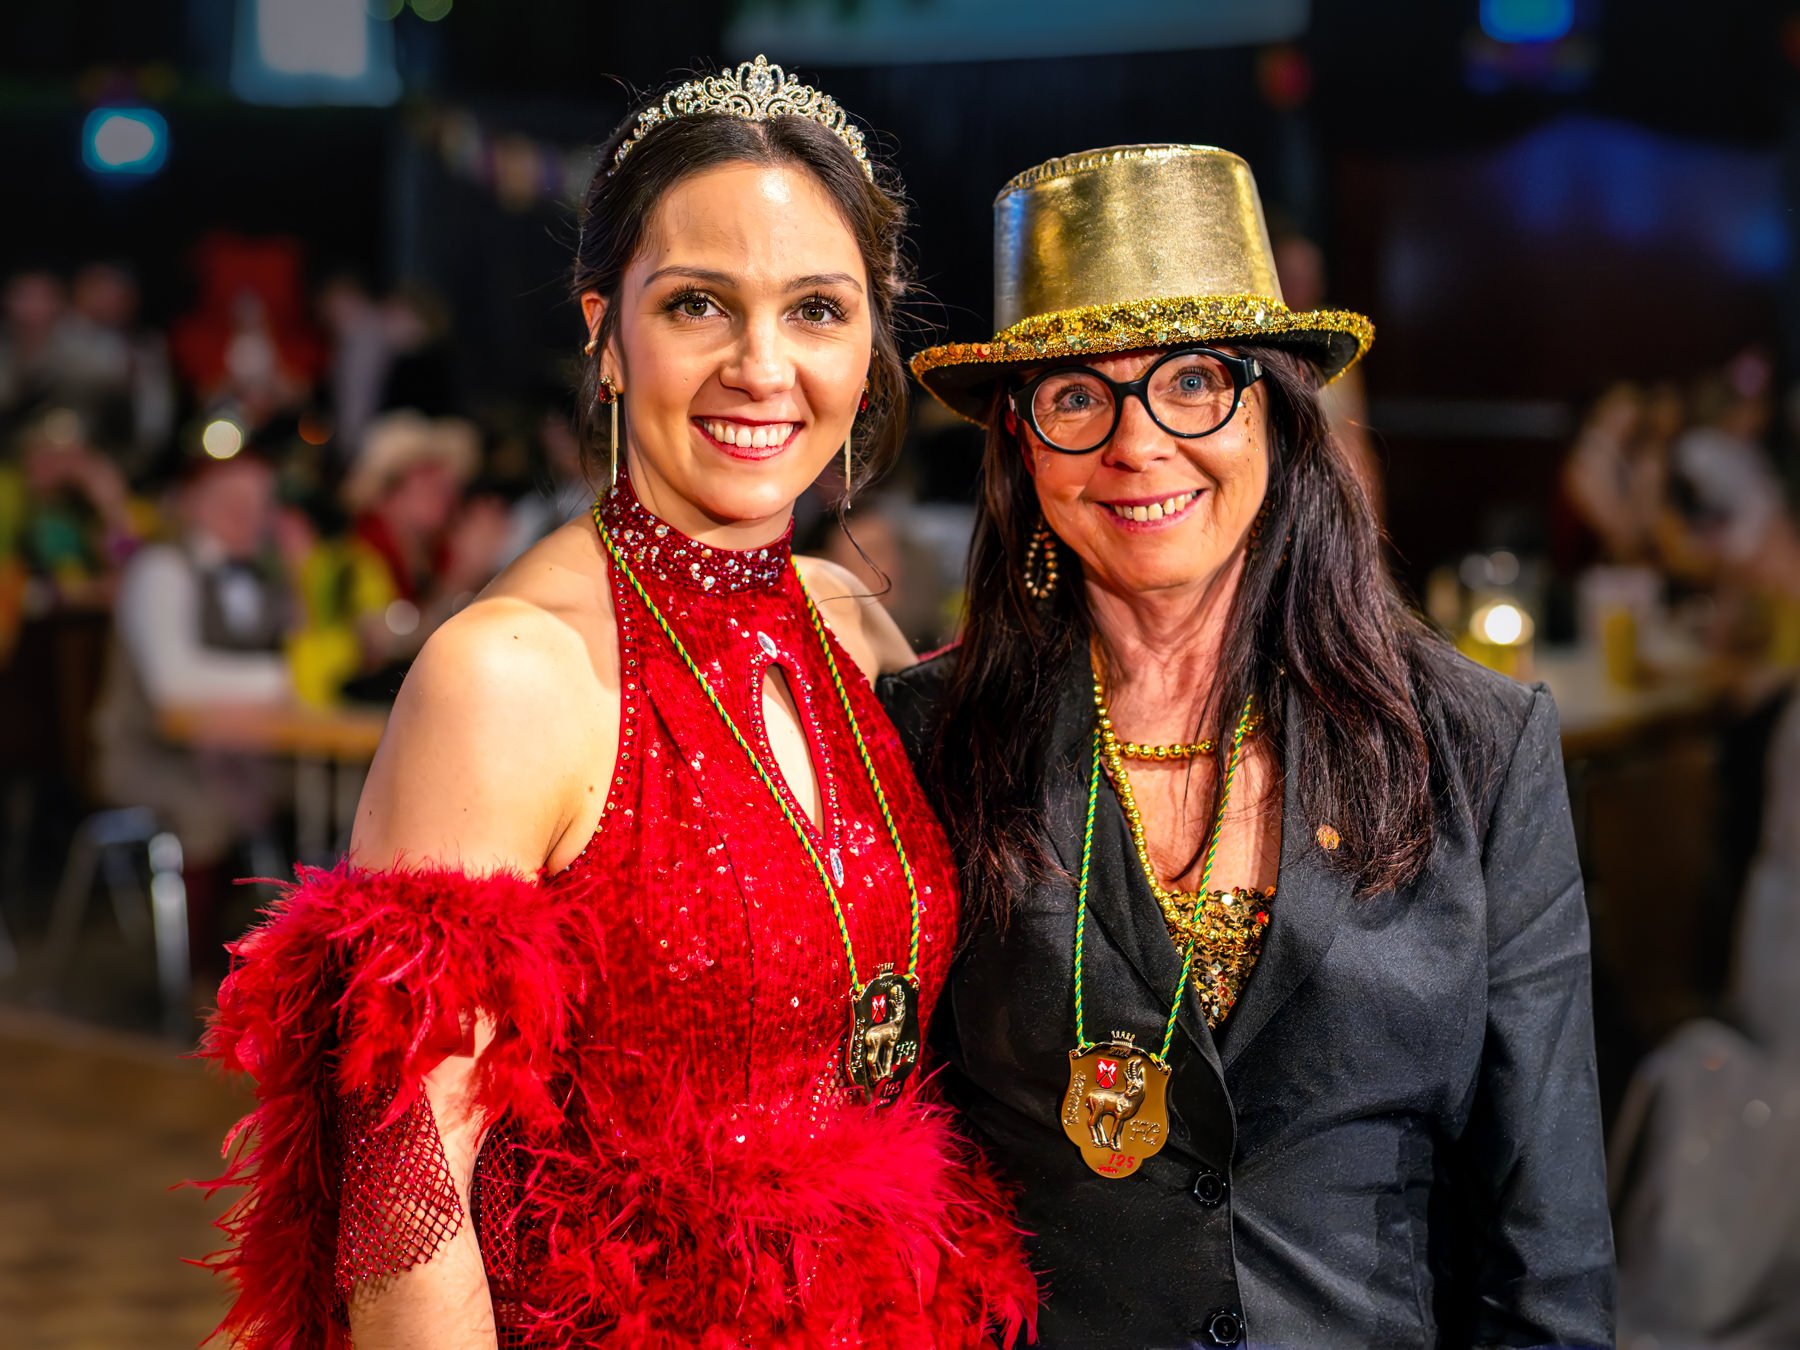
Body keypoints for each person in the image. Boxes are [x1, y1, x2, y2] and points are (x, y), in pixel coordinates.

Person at [201, 57, 1035, 1350]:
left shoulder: (852, 624)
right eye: (699, 303)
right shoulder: (507, 674)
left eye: (817, 310)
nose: (762, 366)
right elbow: (405, 1195)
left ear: (869, 348)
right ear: (605, 333)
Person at [884, 145, 1615, 1348]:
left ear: (1276, 408)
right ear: (1020, 441)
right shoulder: (926, 740)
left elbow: (1549, 1246)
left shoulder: (1477, 746)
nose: (1138, 444)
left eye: (1193, 382)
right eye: (1076, 396)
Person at [91, 447, 292, 974]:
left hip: (235, 749)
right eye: (232, 499)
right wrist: (285, 679)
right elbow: (176, 685)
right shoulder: (161, 568)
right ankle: (200, 974)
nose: (249, 513)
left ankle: (278, 963)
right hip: (150, 752)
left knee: (303, 799)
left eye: (259, 501)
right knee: (212, 808)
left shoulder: (265, 573)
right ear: (192, 503)